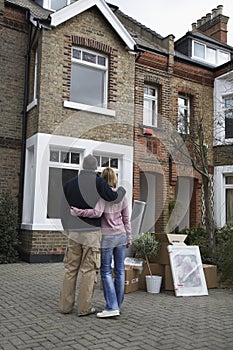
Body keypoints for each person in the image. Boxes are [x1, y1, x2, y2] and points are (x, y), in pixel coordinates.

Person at [59, 155, 126, 316]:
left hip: (73, 232)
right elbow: (113, 197)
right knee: (89, 270)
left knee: (70, 269)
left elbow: (62, 208)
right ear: (95, 168)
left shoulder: (69, 184)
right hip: (91, 233)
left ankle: (65, 307)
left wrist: (66, 228)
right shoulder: (98, 182)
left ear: (82, 166)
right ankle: (84, 308)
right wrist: (122, 190)